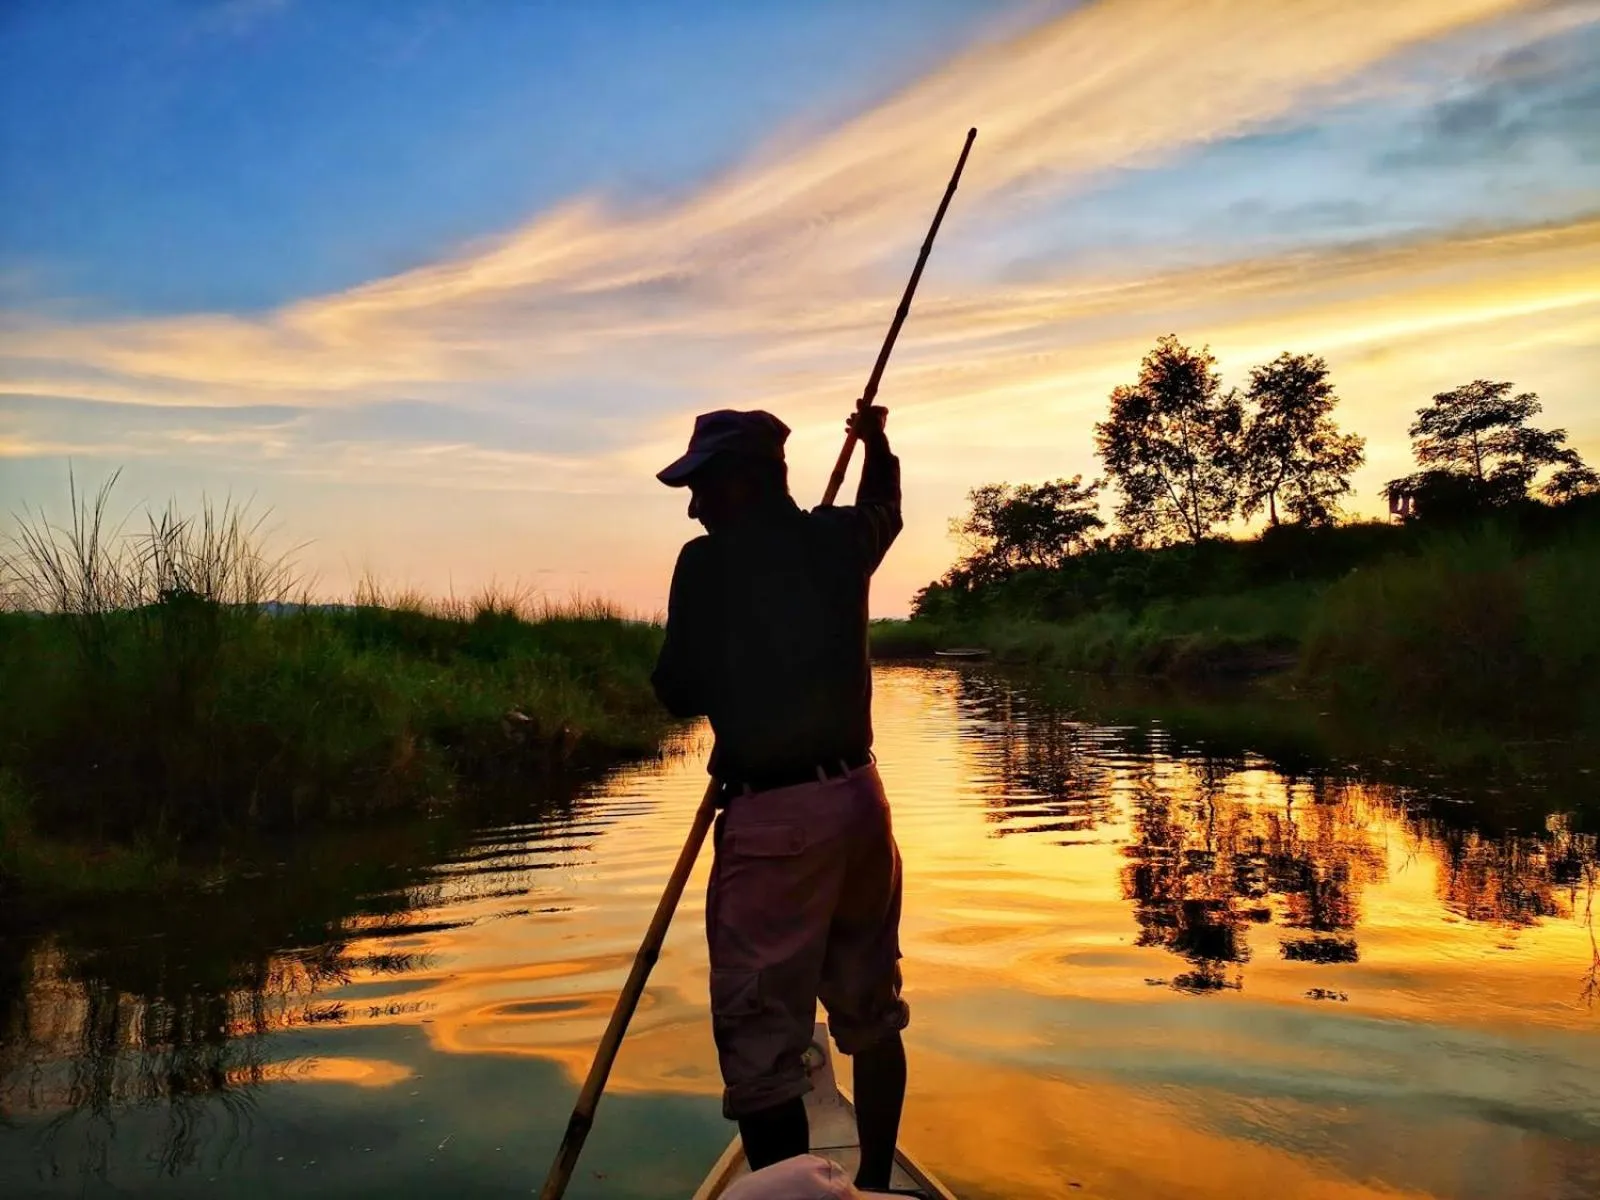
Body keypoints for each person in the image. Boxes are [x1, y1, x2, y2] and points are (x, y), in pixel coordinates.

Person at [651, 406, 909, 1189]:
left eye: (701, 487)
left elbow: (677, 692)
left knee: (762, 1047)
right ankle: (869, 1185)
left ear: (743, 481)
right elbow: (885, 510)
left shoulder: (706, 565)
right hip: (862, 803)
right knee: (871, 1010)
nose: (693, 506)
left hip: (775, 824)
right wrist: (878, 447)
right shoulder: (839, 541)